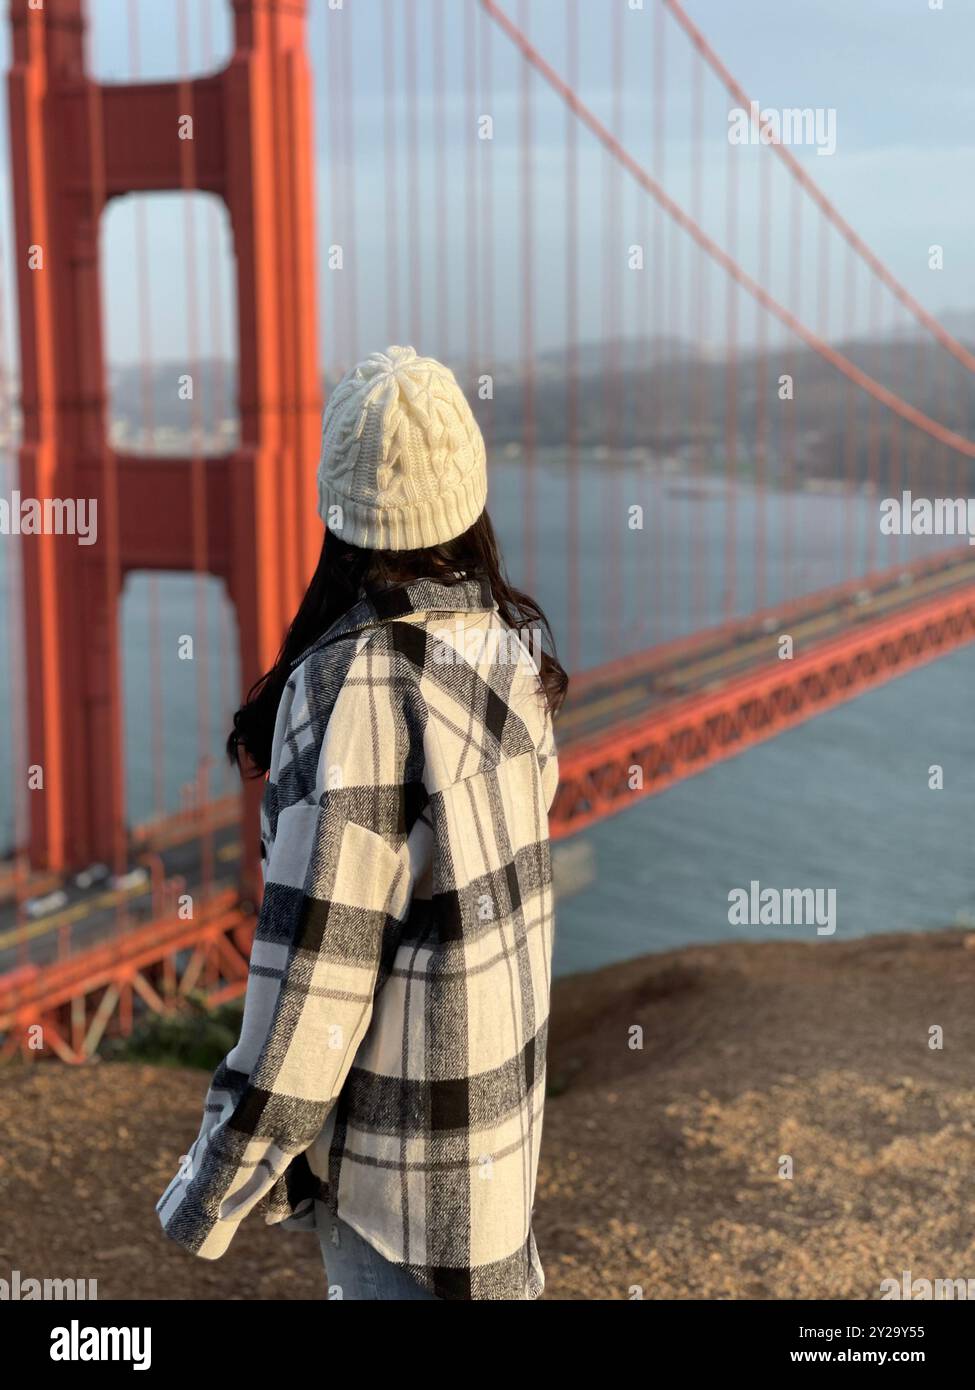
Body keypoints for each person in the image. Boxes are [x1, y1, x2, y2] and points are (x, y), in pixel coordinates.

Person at [156, 344, 566, 1301]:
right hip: (500, 1161)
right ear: (468, 497)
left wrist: (215, 1180)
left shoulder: (354, 683)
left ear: (335, 512)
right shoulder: (515, 652)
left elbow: (317, 983)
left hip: (398, 1200)